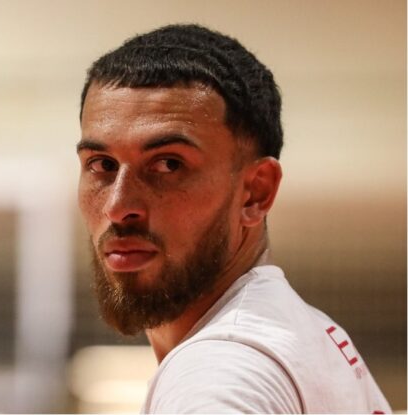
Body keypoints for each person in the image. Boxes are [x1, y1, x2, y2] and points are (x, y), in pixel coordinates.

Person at [75, 24, 391, 413]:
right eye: (102, 164)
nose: (118, 206)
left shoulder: (219, 377)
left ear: (256, 192)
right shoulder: (306, 335)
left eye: (168, 164)